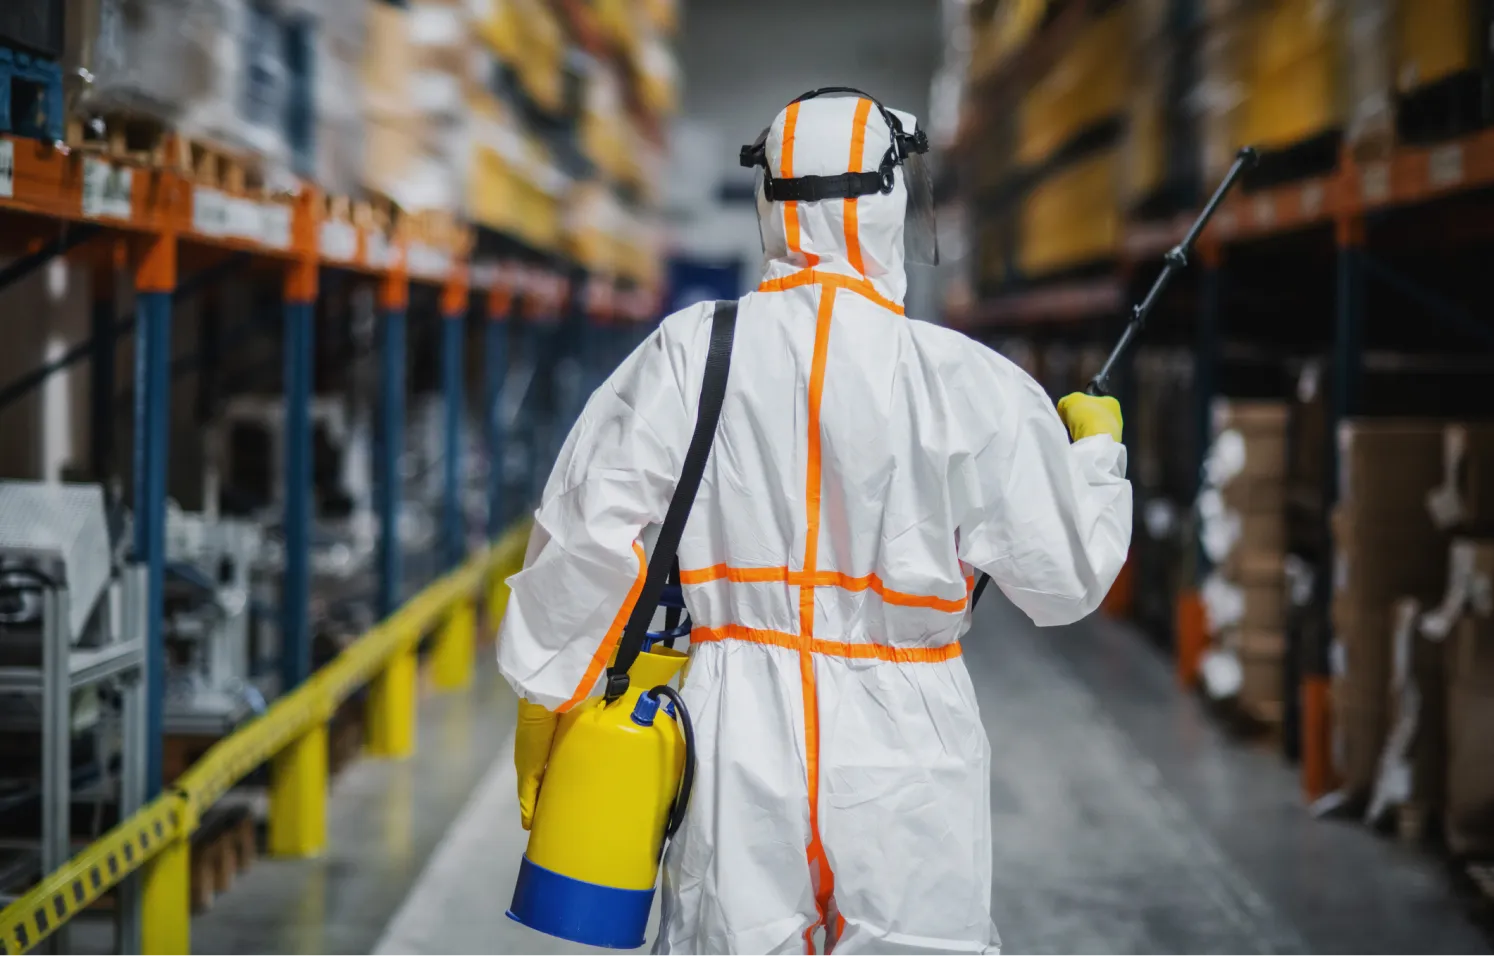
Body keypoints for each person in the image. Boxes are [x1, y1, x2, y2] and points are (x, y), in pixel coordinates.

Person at [498, 90, 1131, 956]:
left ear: (772, 204)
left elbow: (583, 534)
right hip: (907, 750)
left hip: (732, 738)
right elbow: (1066, 581)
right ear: (889, 205)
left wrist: (548, 691)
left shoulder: (690, 354)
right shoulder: (968, 384)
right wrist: (1093, 457)